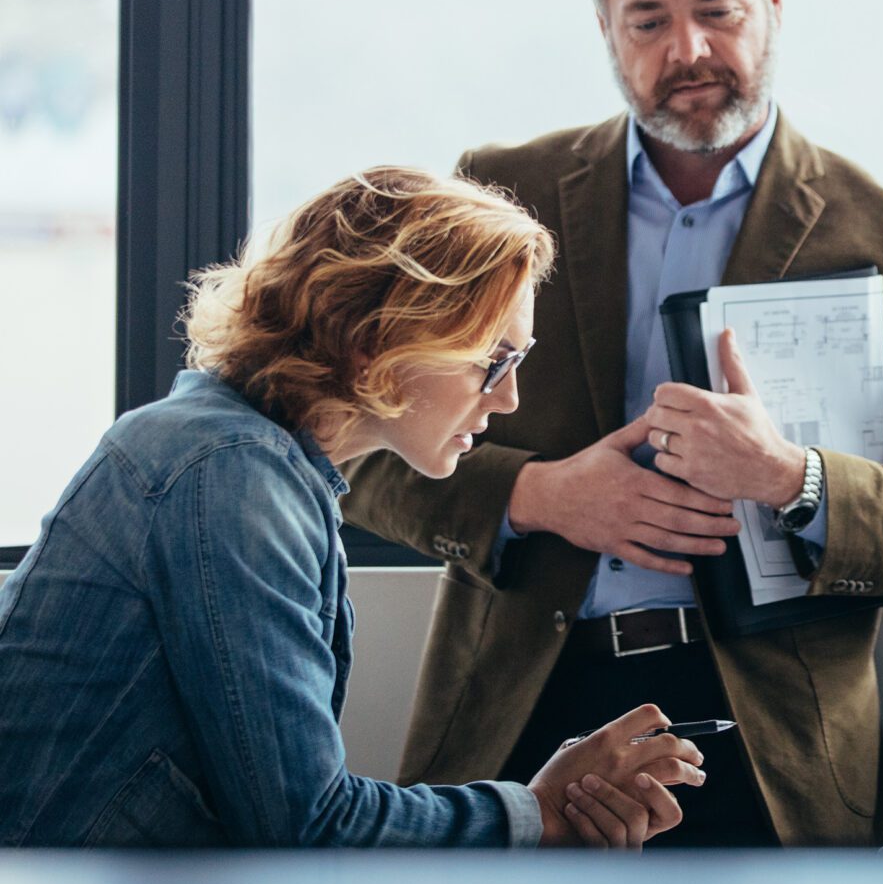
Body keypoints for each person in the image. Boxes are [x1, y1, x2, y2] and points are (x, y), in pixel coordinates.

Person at [342, 0, 883, 848]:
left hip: (775, 745)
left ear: (774, 3)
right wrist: (539, 495)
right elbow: (353, 447)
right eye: (648, 21)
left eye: (718, 9)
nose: (690, 49)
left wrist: (791, 476)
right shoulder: (500, 194)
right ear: (607, 31)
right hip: (525, 711)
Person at [0, 169, 704, 848]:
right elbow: (308, 827)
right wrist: (537, 811)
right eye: (491, 360)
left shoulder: (247, 456)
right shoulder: (232, 474)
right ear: (378, 339)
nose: (508, 397)